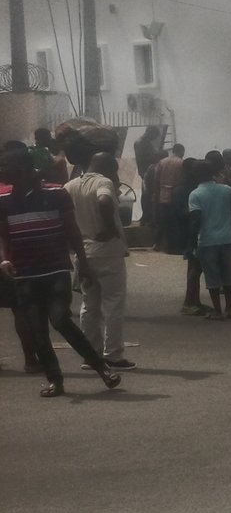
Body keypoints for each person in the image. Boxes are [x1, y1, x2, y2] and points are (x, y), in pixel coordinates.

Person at [0, 147, 122, 396]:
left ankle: (101, 368)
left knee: (60, 320)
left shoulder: (56, 193)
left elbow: (72, 230)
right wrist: (4, 259)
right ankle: (55, 380)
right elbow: (3, 234)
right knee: (38, 330)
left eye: (5, 165)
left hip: (55, 269)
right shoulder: (3, 199)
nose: (1, 170)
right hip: (24, 273)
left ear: (20, 168)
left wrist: (84, 263)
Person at [65, 150, 132, 369]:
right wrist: (110, 228)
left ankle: (90, 355)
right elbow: (104, 201)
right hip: (107, 252)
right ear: (109, 167)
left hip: (82, 252)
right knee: (113, 304)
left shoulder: (70, 185)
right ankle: (113, 355)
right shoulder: (104, 182)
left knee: (89, 304)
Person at [187, 159, 231, 320]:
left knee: (211, 276)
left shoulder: (195, 194)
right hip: (227, 238)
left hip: (207, 240)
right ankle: (230, 308)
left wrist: (191, 243)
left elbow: (195, 219)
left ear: (196, 175)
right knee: (228, 273)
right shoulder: (226, 189)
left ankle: (217, 310)